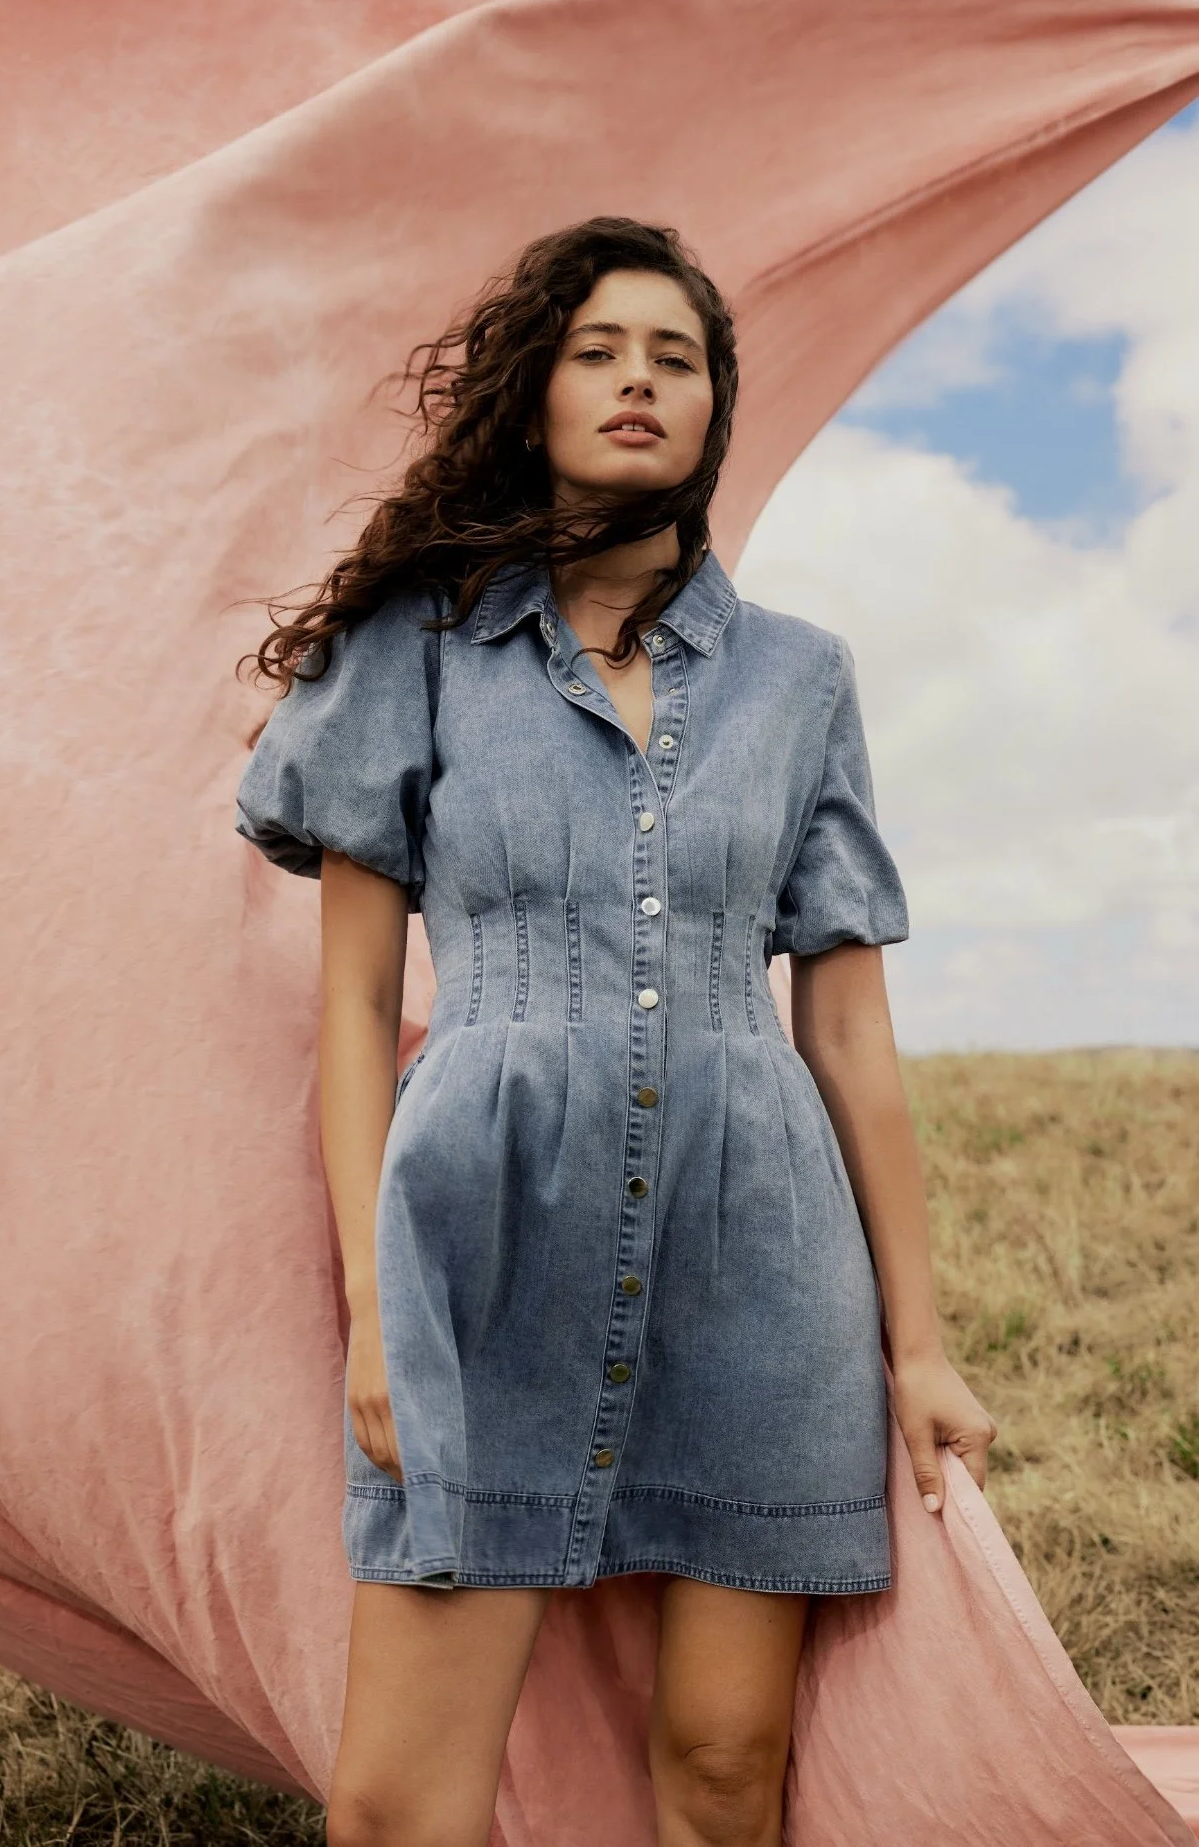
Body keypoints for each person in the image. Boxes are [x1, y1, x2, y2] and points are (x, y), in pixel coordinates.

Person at [234, 216, 997, 1847]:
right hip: (482, 1240)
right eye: (598, 351)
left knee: (724, 1773)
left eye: (677, 356)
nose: (639, 380)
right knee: (396, 1804)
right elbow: (354, 1002)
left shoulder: (799, 679)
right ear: (537, 395)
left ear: (715, 410)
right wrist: (377, 1301)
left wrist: (920, 1344)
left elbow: (848, 1032)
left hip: (759, 1255)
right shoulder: (417, 648)